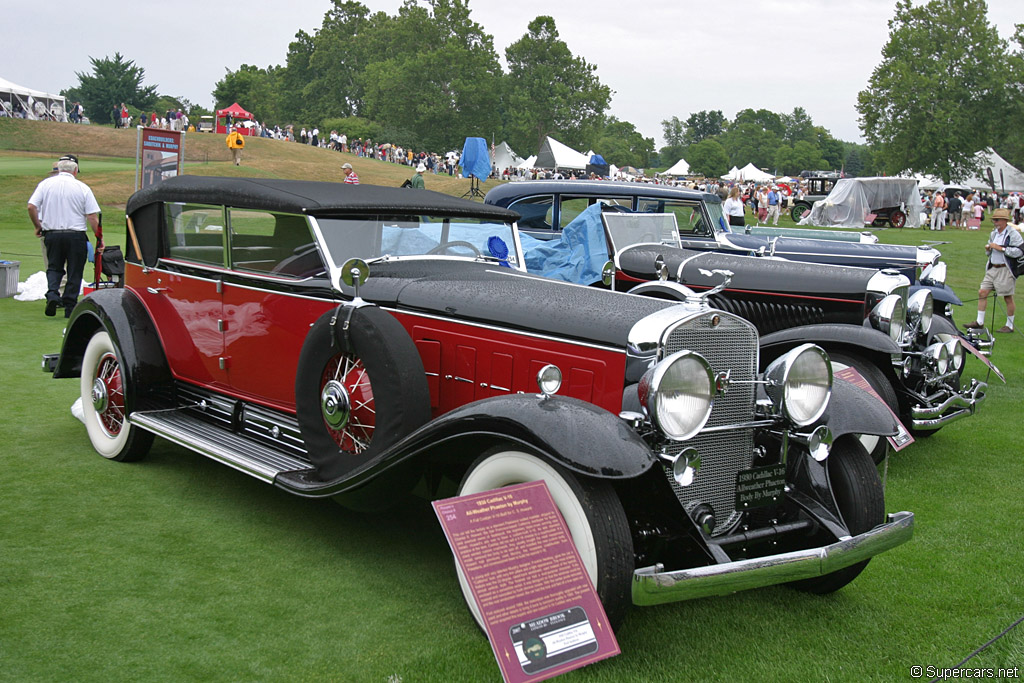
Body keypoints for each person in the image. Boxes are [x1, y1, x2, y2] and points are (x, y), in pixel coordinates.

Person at [27, 155, 101, 318]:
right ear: (75, 171)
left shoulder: (45, 185)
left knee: (54, 267)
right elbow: (92, 216)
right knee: (74, 270)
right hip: (75, 235)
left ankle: (53, 294)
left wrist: (37, 226)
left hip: (52, 233)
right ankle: (70, 306)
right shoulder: (82, 187)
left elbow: (31, 206)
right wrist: (99, 238)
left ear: (59, 169)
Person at [965, 208, 1023, 333]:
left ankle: (1009, 325)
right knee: (982, 292)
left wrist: (1001, 248)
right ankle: (979, 322)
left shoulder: (1013, 234)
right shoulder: (994, 233)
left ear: (1004, 221)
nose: (995, 222)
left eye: (997, 220)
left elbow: (1019, 252)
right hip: (992, 268)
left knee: (1007, 297)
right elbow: (989, 251)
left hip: (1005, 269)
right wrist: (988, 249)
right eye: (994, 220)